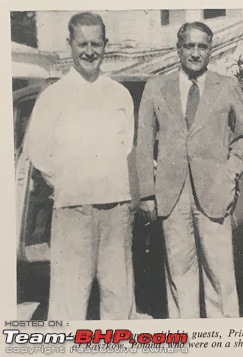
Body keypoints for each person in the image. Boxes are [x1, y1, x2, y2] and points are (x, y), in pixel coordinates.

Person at [136, 22, 243, 318]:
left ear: (211, 51)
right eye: (189, 46)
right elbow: (144, 142)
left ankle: (225, 343)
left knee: (220, 276)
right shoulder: (155, 88)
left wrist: (230, 173)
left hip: (214, 193)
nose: (195, 53)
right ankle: (186, 341)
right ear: (178, 49)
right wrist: (148, 193)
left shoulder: (226, 86)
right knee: (179, 277)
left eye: (202, 46)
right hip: (172, 197)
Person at [24, 12, 136, 320]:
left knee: (119, 300)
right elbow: (40, 154)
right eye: (82, 44)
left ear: (105, 45)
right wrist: (72, 184)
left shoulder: (120, 94)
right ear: (70, 44)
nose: (89, 51)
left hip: (116, 210)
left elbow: (126, 146)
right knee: (69, 302)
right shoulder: (53, 96)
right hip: (73, 211)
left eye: (96, 44)